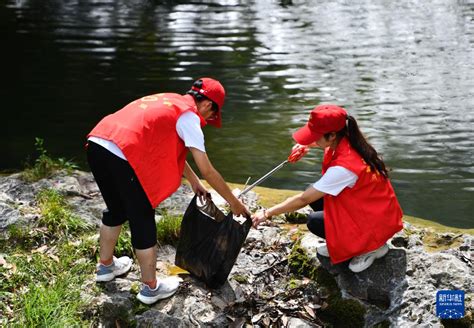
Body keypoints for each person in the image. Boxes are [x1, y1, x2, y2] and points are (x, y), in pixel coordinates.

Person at [86, 77, 250, 304]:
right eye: (212, 115)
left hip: (98, 143)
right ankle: (150, 288)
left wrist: (193, 181)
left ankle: (105, 267)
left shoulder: (169, 101)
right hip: (121, 152)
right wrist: (234, 202)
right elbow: (208, 170)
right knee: (142, 215)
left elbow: (167, 146)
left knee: (116, 209)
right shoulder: (190, 118)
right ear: (208, 105)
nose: (209, 120)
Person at [252, 104, 403, 273]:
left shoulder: (344, 167)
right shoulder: (347, 141)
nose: (313, 139)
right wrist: (306, 145)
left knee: (315, 221)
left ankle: (371, 248)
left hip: (373, 226)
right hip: (371, 212)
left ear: (332, 135)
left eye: (315, 136)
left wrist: (267, 213)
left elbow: (304, 199)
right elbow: (322, 144)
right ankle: (344, 242)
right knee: (315, 193)